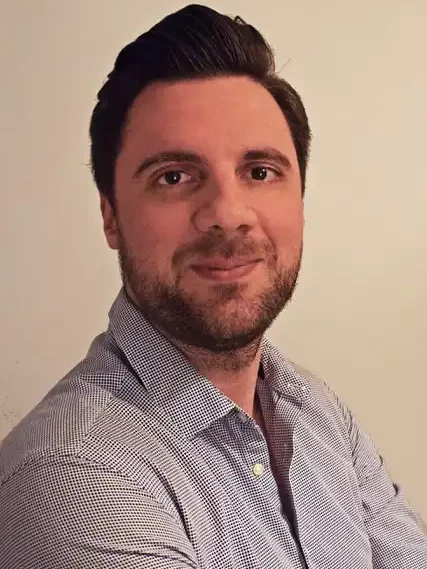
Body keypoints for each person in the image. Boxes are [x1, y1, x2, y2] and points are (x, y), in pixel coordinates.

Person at [0, 4, 425, 568]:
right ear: (111, 216)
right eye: (174, 177)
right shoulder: (75, 477)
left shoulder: (317, 410)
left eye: (260, 172)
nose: (227, 214)